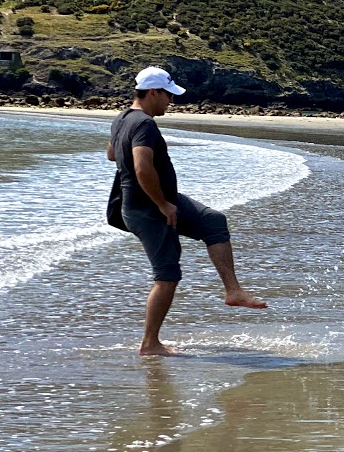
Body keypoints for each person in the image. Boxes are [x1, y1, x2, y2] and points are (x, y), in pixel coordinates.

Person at [107, 66, 266, 356]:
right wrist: (162, 204)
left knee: (213, 221)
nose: (172, 101)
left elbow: (111, 153)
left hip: (154, 201)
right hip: (147, 208)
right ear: (153, 92)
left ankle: (233, 291)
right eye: (169, 95)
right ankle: (150, 344)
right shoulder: (143, 124)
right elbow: (142, 166)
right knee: (167, 274)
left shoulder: (123, 120)